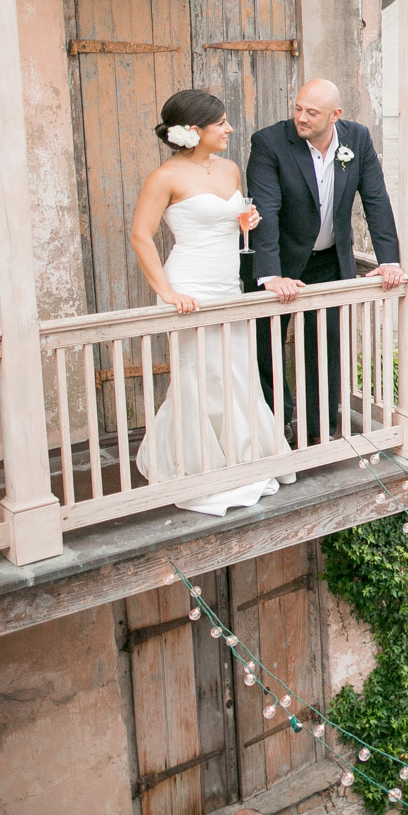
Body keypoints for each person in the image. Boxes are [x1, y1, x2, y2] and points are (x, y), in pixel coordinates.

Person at [129, 89, 290, 515]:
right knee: (202, 376)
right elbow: (141, 236)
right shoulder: (165, 177)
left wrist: (246, 221)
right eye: (220, 123)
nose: (229, 129)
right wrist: (167, 292)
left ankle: (244, 458)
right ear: (193, 130)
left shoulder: (231, 169)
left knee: (238, 370)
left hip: (227, 286)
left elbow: (233, 223)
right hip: (191, 286)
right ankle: (200, 466)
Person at [247, 79, 402, 446]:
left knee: (328, 344)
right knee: (266, 343)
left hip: (331, 261)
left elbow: (376, 200)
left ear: (335, 116)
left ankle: (319, 429)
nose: (300, 117)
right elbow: (265, 210)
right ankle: (277, 423)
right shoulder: (269, 142)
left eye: (311, 112)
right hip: (280, 261)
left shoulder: (358, 139)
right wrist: (270, 274)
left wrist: (389, 261)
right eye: (298, 108)